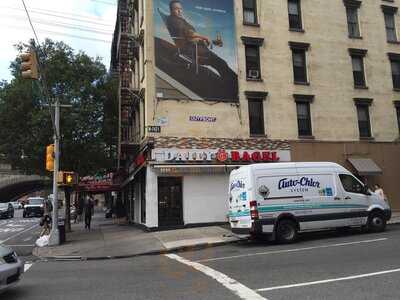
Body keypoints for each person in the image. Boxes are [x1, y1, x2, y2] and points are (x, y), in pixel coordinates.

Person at [165, 0, 232, 79]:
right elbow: (190, 34)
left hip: (194, 47)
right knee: (221, 63)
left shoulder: (178, 20)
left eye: (181, 8)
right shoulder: (175, 20)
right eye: (176, 9)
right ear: (171, 10)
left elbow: (189, 36)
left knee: (220, 63)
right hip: (192, 50)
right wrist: (205, 38)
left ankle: (229, 81)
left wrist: (209, 41)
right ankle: (230, 83)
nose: (180, 11)